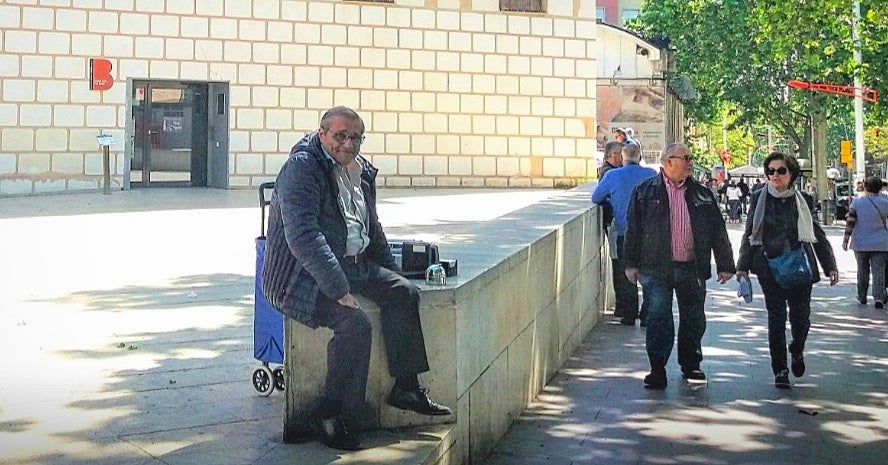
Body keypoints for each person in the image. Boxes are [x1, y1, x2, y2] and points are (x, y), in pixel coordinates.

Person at [262, 106, 451, 451]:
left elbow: (371, 228)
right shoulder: (301, 169)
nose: (348, 144)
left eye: (355, 137)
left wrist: (390, 273)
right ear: (321, 135)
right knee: (355, 325)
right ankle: (332, 413)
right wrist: (338, 288)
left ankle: (406, 387)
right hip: (299, 277)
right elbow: (303, 236)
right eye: (340, 136)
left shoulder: (360, 170)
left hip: (352, 263)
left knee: (403, 293)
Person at [623, 143, 736, 389]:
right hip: (656, 268)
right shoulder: (645, 191)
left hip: (691, 267)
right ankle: (657, 369)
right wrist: (630, 264)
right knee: (658, 318)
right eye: (685, 158)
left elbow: (717, 229)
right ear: (668, 162)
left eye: (690, 158)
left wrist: (726, 263)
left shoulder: (702, 193)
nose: (690, 162)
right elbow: (633, 229)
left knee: (694, 319)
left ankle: (691, 364)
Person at [736, 152, 839, 390]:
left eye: (780, 171)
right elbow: (750, 233)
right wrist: (741, 266)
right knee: (776, 317)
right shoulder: (758, 198)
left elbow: (816, 234)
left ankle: (797, 348)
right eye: (770, 171)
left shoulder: (802, 200)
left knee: (801, 317)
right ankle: (780, 369)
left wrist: (830, 265)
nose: (775, 175)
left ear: (791, 174)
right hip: (769, 266)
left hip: (799, 266)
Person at [592, 143, 657, 326]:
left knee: (625, 272)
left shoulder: (612, 175)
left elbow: (596, 197)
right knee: (649, 273)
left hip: (623, 232)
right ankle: (647, 313)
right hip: (649, 233)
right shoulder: (652, 175)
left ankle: (629, 313)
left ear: (622, 157)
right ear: (640, 157)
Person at [842, 176, 888, 308]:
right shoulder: (886, 202)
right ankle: (879, 297)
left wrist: (846, 239)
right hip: (881, 243)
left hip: (860, 243)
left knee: (862, 270)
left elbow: (850, 222)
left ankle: (862, 295)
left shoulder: (857, 202)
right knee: (879, 271)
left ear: (865, 187)